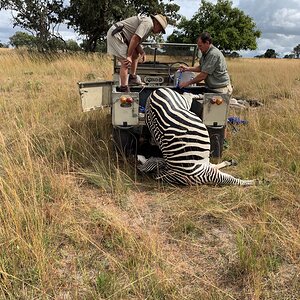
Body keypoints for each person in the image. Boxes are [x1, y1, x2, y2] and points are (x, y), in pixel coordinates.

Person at [107, 14, 168, 92]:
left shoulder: (149, 25)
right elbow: (135, 38)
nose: (159, 32)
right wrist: (129, 56)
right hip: (117, 34)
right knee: (125, 62)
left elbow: (137, 42)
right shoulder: (148, 23)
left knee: (136, 54)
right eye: (160, 29)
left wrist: (142, 52)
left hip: (123, 36)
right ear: (157, 23)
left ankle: (132, 77)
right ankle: (124, 88)